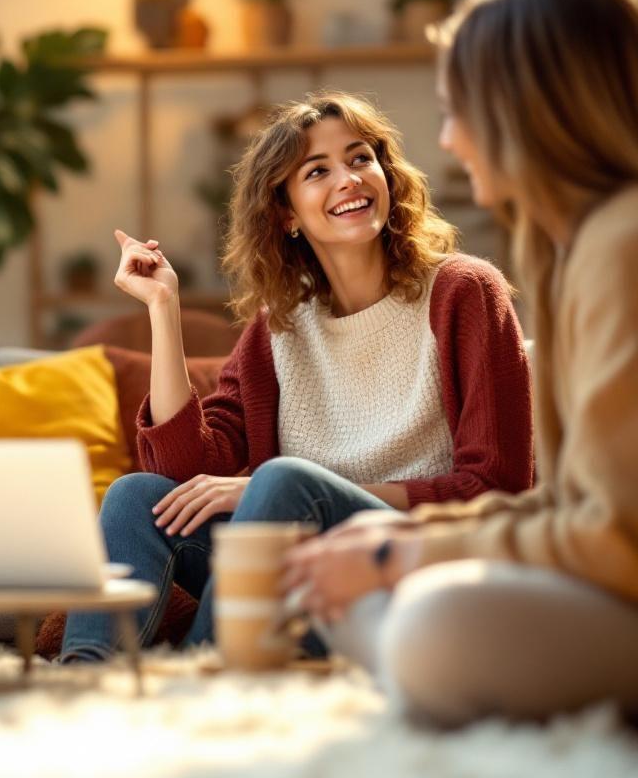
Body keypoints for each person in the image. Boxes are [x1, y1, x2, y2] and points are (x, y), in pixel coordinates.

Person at [283, 0, 638, 749]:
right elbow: (571, 503)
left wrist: (416, 549)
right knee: (362, 592)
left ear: (527, 110)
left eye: (456, 111)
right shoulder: (582, 247)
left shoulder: (636, 244)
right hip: (620, 592)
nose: (446, 141)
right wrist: (394, 549)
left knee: (433, 621)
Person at [61, 90, 533, 662]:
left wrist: (273, 491)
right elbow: (183, 467)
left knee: (284, 481)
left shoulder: (463, 292)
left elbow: (497, 486)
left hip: (407, 565)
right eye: (318, 170)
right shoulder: (280, 328)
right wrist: (164, 309)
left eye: (361, 159)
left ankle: (204, 673)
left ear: (387, 174)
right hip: (293, 571)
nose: (350, 179)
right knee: (136, 494)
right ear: (286, 213)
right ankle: (81, 677)